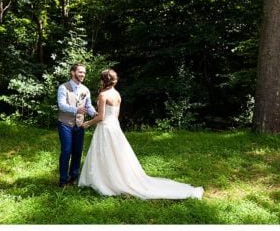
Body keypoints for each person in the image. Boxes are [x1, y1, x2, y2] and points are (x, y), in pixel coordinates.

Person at [78, 69, 203, 199]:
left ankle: (105, 180)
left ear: (103, 80)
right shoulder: (117, 94)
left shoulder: (103, 95)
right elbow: (116, 115)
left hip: (105, 128)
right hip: (114, 127)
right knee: (117, 154)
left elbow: (101, 117)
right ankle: (112, 177)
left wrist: (87, 123)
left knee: (106, 153)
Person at [57, 63, 96, 187]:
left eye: (84, 72)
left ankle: (73, 178)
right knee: (66, 151)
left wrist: (95, 114)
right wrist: (76, 109)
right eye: (80, 72)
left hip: (79, 125)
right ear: (72, 72)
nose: (83, 74)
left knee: (78, 152)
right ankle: (63, 180)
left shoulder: (86, 90)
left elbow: (88, 106)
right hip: (65, 124)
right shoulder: (63, 87)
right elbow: (61, 105)